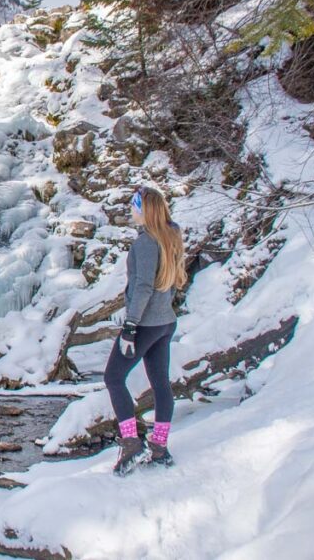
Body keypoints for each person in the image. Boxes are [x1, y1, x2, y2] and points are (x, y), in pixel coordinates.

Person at [104, 184, 187, 476]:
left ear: (145, 209)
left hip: (146, 324)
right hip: (165, 322)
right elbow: (165, 284)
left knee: (113, 377)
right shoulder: (170, 237)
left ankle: (131, 442)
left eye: (134, 206)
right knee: (160, 383)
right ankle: (160, 447)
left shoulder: (145, 243)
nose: (131, 210)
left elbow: (143, 287)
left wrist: (130, 325)